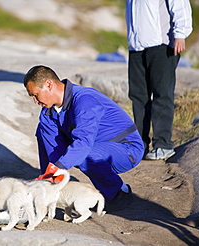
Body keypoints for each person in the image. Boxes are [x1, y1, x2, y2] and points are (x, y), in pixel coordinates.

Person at [23, 65, 144, 211]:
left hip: (126, 148)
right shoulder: (47, 112)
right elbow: (55, 150)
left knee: (86, 154)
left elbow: (83, 143)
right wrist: (49, 177)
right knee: (42, 130)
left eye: (35, 95)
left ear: (49, 84)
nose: (35, 101)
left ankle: (119, 193)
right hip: (96, 146)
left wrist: (59, 167)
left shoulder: (84, 99)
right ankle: (51, 188)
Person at [126, 0, 193, 160]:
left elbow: (180, 4)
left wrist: (180, 34)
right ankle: (140, 145)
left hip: (162, 44)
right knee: (138, 96)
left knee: (162, 95)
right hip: (136, 47)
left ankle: (163, 144)